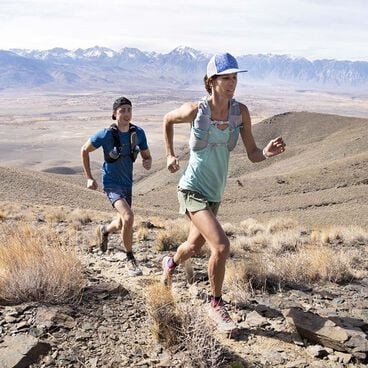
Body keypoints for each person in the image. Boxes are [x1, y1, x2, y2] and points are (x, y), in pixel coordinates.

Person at [161, 53, 286, 331]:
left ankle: (170, 262)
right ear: (211, 81)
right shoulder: (195, 110)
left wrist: (266, 153)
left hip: (214, 192)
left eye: (235, 77)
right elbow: (167, 120)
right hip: (191, 188)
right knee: (221, 245)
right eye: (226, 77)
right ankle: (216, 304)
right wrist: (169, 155)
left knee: (194, 247)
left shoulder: (239, 112)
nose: (232, 83)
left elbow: (253, 154)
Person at [81, 96, 152, 276]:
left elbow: (146, 155)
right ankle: (129, 258)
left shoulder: (138, 133)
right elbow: (84, 150)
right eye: (122, 110)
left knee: (121, 223)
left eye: (129, 110)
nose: (126, 114)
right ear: (114, 113)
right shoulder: (105, 134)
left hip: (127, 184)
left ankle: (104, 230)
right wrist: (89, 177)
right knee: (128, 217)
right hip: (111, 184)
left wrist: (147, 161)